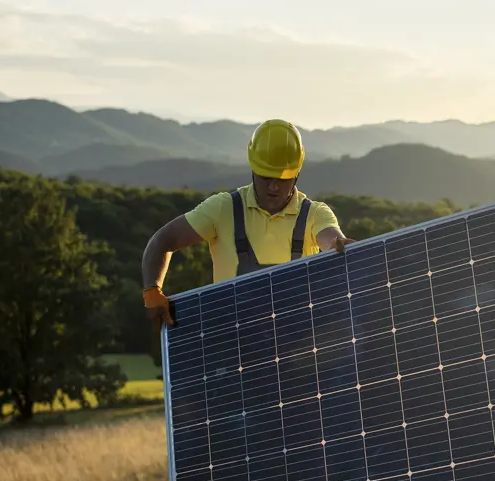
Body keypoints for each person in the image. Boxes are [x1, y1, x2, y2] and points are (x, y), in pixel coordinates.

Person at [140, 118, 354, 340]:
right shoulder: (223, 208)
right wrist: (151, 291)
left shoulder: (315, 213)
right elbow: (163, 240)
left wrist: (337, 245)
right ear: (253, 169)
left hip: (296, 348)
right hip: (233, 346)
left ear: (296, 174)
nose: (273, 186)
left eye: (283, 179)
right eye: (266, 177)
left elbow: (331, 239)